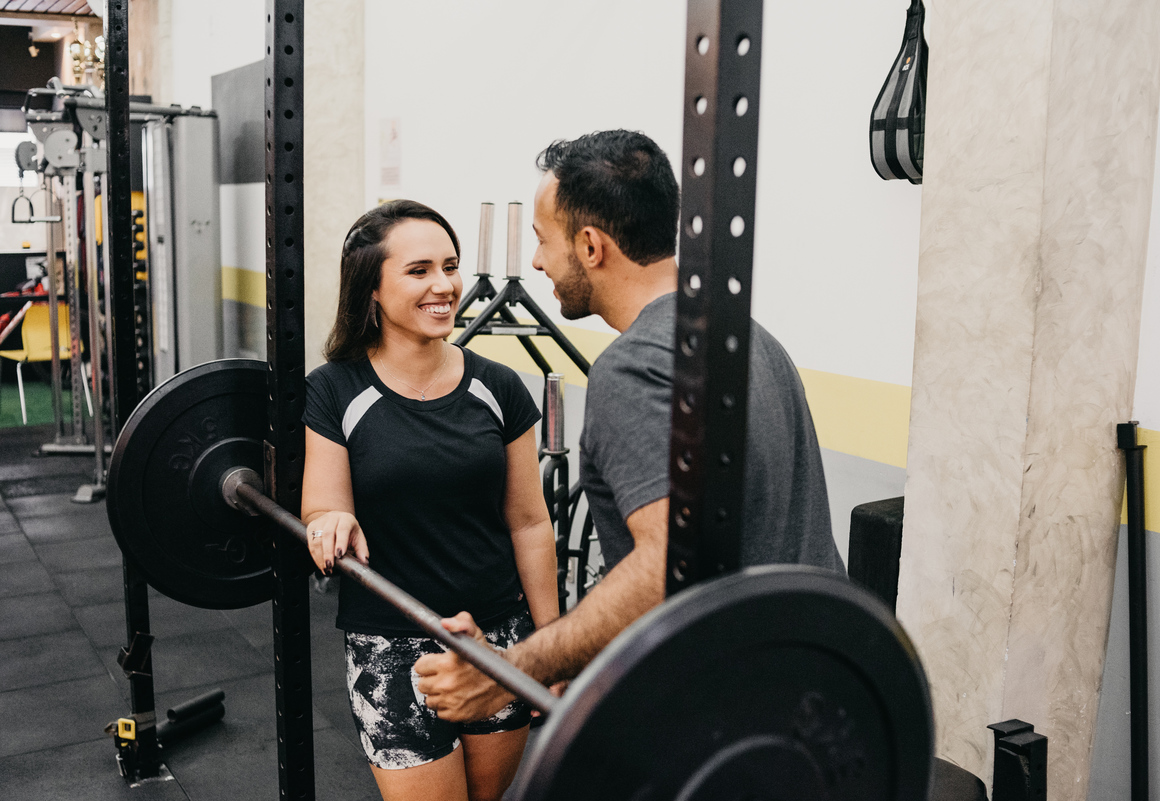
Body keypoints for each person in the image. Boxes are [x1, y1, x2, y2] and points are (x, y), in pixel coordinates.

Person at [414, 130, 843, 721]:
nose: (536, 261)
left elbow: (667, 564)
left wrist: (515, 669)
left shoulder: (634, 366)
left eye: (543, 240)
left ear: (591, 246)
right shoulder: (747, 334)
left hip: (726, 709)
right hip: (814, 682)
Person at [300, 200, 558, 801]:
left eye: (450, 266)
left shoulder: (498, 386)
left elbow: (529, 523)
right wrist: (329, 518)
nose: (444, 285)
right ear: (371, 288)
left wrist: (548, 650)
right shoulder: (334, 389)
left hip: (496, 637)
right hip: (390, 645)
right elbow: (323, 504)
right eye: (419, 270)